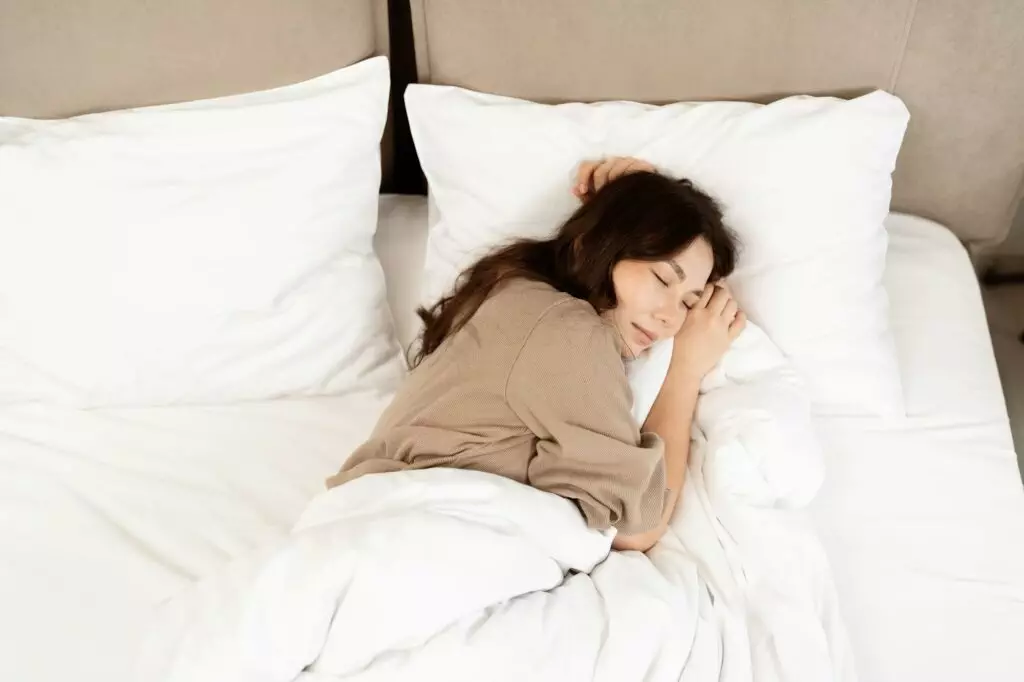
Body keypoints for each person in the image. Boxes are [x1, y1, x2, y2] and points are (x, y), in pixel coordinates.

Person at [327, 157, 744, 552]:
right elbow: (637, 528)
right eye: (661, 279)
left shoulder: (514, 292)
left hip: (374, 523)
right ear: (602, 244)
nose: (671, 317)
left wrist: (640, 196)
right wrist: (685, 371)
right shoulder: (569, 332)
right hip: (404, 532)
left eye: (689, 302)